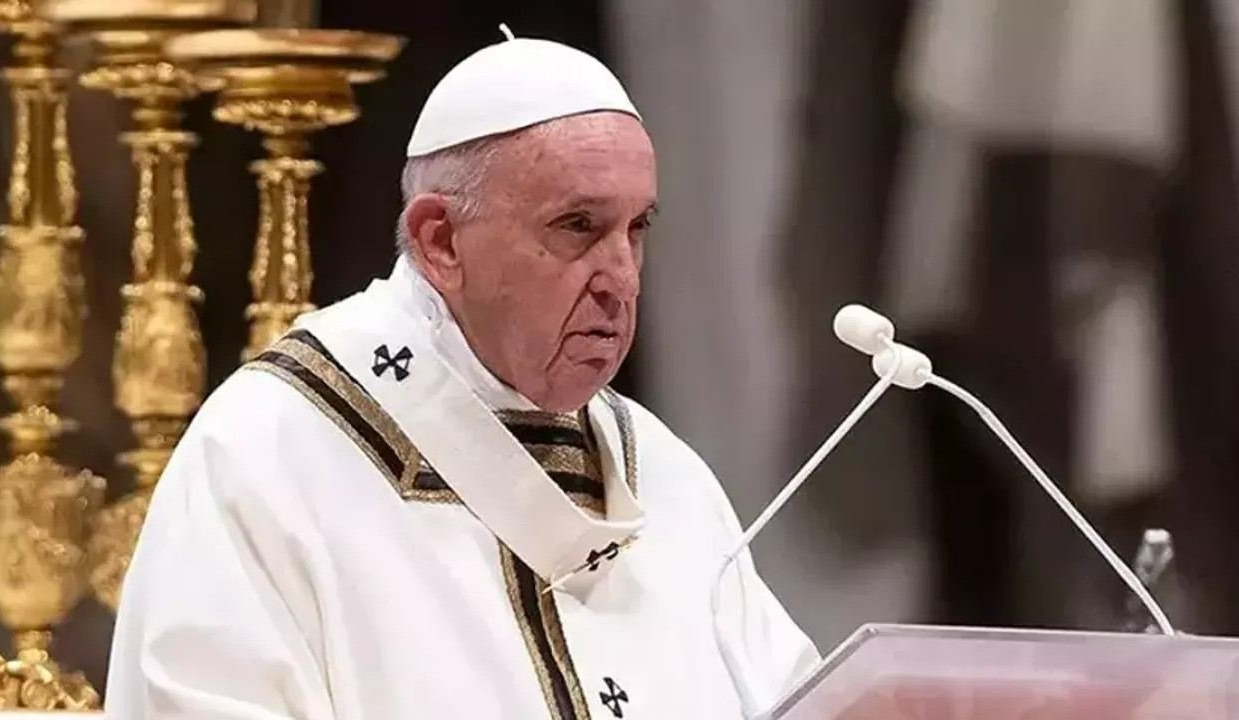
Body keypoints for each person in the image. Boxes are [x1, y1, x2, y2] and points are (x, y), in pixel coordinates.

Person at [104, 30, 818, 720]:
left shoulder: (665, 474)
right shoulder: (266, 452)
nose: (622, 279)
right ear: (440, 241)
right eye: (578, 226)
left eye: (637, 229)